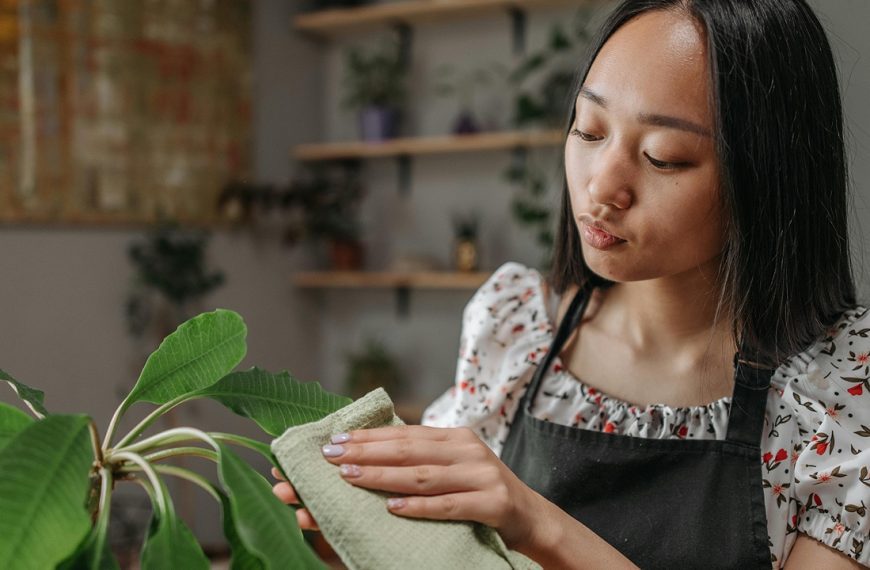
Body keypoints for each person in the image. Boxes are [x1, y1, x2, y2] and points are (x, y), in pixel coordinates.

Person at [273, 0, 869, 567]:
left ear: (771, 173)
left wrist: (538, 524)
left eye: (663, 156)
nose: (602, 187)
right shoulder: (515, 329)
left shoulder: (842, 388)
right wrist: (350, 539)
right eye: (588, 130)